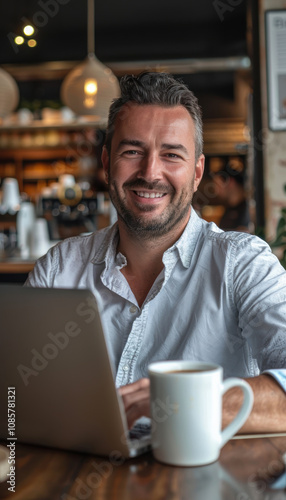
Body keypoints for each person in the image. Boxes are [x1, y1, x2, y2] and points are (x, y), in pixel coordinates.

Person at [25, 72, 286, 433]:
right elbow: (16, 393)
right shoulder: (58, 269)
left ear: (197, 173)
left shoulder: (243, 264)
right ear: (106, 163)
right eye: (132, 151)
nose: (150, 173)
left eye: (171, 154)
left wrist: (181, 402)